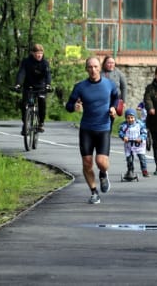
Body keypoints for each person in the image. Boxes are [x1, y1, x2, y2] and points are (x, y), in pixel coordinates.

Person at [65, 57, 119, 204]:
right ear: (86, 69)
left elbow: (116, 97)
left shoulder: (109, 84)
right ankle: (94, 192)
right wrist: (74, 107)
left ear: (100, 68)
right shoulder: (80, 87)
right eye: (90, 67)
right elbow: (68, 105)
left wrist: (113, 107)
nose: (93, 70)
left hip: (103, 127)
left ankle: (103, 173)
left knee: (101, 161)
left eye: (95, 67)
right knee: (87, 163)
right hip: (87, 129)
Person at [15, 44, 52, 134]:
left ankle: (41, 123)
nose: (39, 55)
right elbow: (22, 73)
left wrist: (48, 85)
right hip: (29, 86)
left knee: (42, 102)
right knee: (24, 104)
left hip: (41, 87)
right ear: (32, 53)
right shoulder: (26, 62)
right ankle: (25, 124)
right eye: (37, 53)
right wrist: (18, 84)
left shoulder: (45, 63)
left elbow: (48, 75)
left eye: (41, 53)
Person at [118, 108, 149, 178]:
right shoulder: (124, 125)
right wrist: (123, 137)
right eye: (128, 118)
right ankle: (130, 170)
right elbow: (120, 132)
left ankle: (144, 170)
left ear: (135, 117)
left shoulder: (140, 124)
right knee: (129, 159)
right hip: (129, 144)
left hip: (139, 144)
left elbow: (144, 132)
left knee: (142, 158)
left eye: (132, 118)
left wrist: (141, 138)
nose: (130, 119)